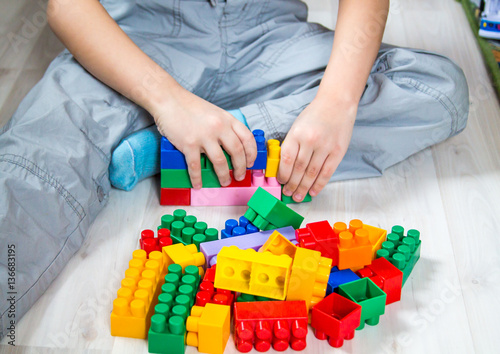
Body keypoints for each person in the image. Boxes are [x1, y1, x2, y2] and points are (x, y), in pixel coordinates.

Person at [0, 0, 468, 338]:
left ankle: (199, 139)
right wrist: (168, 102)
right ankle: (200, 130)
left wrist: (335, 103)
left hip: (270, 33)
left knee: (439, 88)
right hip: (140, 34)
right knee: (41, 156)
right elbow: (66, 7)